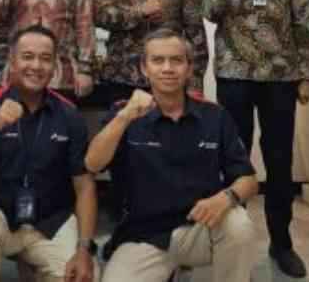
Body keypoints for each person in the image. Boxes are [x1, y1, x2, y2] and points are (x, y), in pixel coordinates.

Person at [198, 0, 309, 278]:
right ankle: (235, 240)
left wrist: (307, 72)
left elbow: (304, 16)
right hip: (234, 74)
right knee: (234, 159)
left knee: (279, 159)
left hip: (281, 74)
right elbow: (209, 12)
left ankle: (281, 243)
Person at [86, 29, 257, 282]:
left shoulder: (215, 116)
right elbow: (92, 163)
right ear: (144, 68)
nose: (167, 68)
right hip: (144, 236)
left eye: (176, 60)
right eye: (158, 60)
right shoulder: (125, 113)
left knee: (238, 224)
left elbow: (249, 180)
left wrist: (227, 197)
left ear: (189, 68)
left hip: (200, 229)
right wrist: (125, 116)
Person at [0, 25, 96, 282]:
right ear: (12, 62)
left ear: (55, 67)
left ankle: (33, 267)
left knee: (79, 276)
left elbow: (84, 186)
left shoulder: (69, 115)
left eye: (45, 58)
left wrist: (84, 249)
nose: (36, 65)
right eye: (27, 57)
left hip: (50, 221)